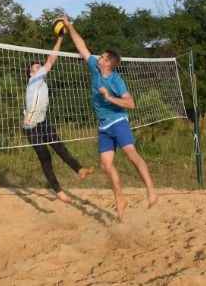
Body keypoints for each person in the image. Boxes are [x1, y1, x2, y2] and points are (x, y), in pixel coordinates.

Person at [61, 15, 157, 222]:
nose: (99, 58)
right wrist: (70, 26)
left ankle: (151, 190)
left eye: (103, 57)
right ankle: (120, 200)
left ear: (109, 64)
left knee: (131, 154)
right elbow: (81, 46)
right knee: (105, 165)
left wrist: (109, 97)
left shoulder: (116, 80)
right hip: (104, 126)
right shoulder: (95, 68)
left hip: (118, 121)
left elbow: (131, 104)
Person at [23, 35, 93, 203]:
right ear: (31, 73)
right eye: (36, 67)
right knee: (45, 157)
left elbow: (49, 63)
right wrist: (60, 37)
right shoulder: (34, 80)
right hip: (31, 126)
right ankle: (59, 191)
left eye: (40, 67)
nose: (40, 69)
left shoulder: (42, 82)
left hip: (43, 122)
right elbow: (52, 59)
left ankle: (80, 169)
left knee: (60, 148)